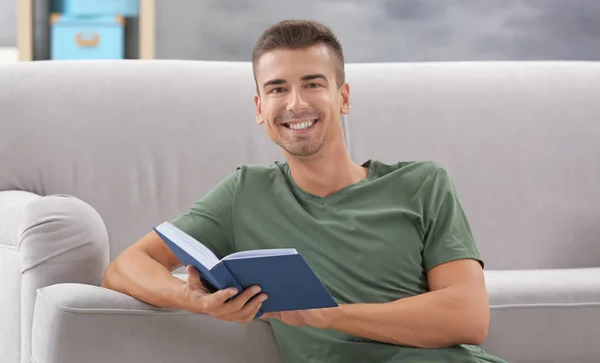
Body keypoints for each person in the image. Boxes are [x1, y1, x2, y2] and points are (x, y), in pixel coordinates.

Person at [102, 19, 507, 363]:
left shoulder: (422, 184)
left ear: (342, 97)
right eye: (277, 89)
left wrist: (326, 315)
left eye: (312, 84)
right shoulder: (246, 192)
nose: (296, 104)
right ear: (260, 108)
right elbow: (124, 268)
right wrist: (197, 301)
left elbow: (468, 317)